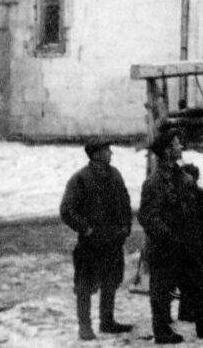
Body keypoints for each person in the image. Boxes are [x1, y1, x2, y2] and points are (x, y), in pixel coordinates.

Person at [139, 130, 203, 344]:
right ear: (167, 151)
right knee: (162, 290)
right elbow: (147, 217)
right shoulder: (154, 183)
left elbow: (196, 208)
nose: (181, 147)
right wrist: (168, 238)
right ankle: (162, 332)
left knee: (198, 287)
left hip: (188, 246)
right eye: (176, 144)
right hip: (166, 249)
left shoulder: (184, 178)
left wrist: (200, 240)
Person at [59, 137, 133, 341]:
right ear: (96, 154)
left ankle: (107, 321)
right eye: (107, 150)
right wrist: (86, 230)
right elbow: (66, 210)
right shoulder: (80, 179)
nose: (111, 153)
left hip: (114, 240)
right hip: (91, 244)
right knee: (85, 285)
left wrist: (126, 227)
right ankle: (85, 326)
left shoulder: (115, 174)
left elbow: (125, 202)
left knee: (111, 281)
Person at [176, 163, 203, 323]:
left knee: (197, 279)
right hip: (186, 245)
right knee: (186, 279)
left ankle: (192, 311)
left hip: (198, 244)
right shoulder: (180, 195)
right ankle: (186, 312)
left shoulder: (200, 195)